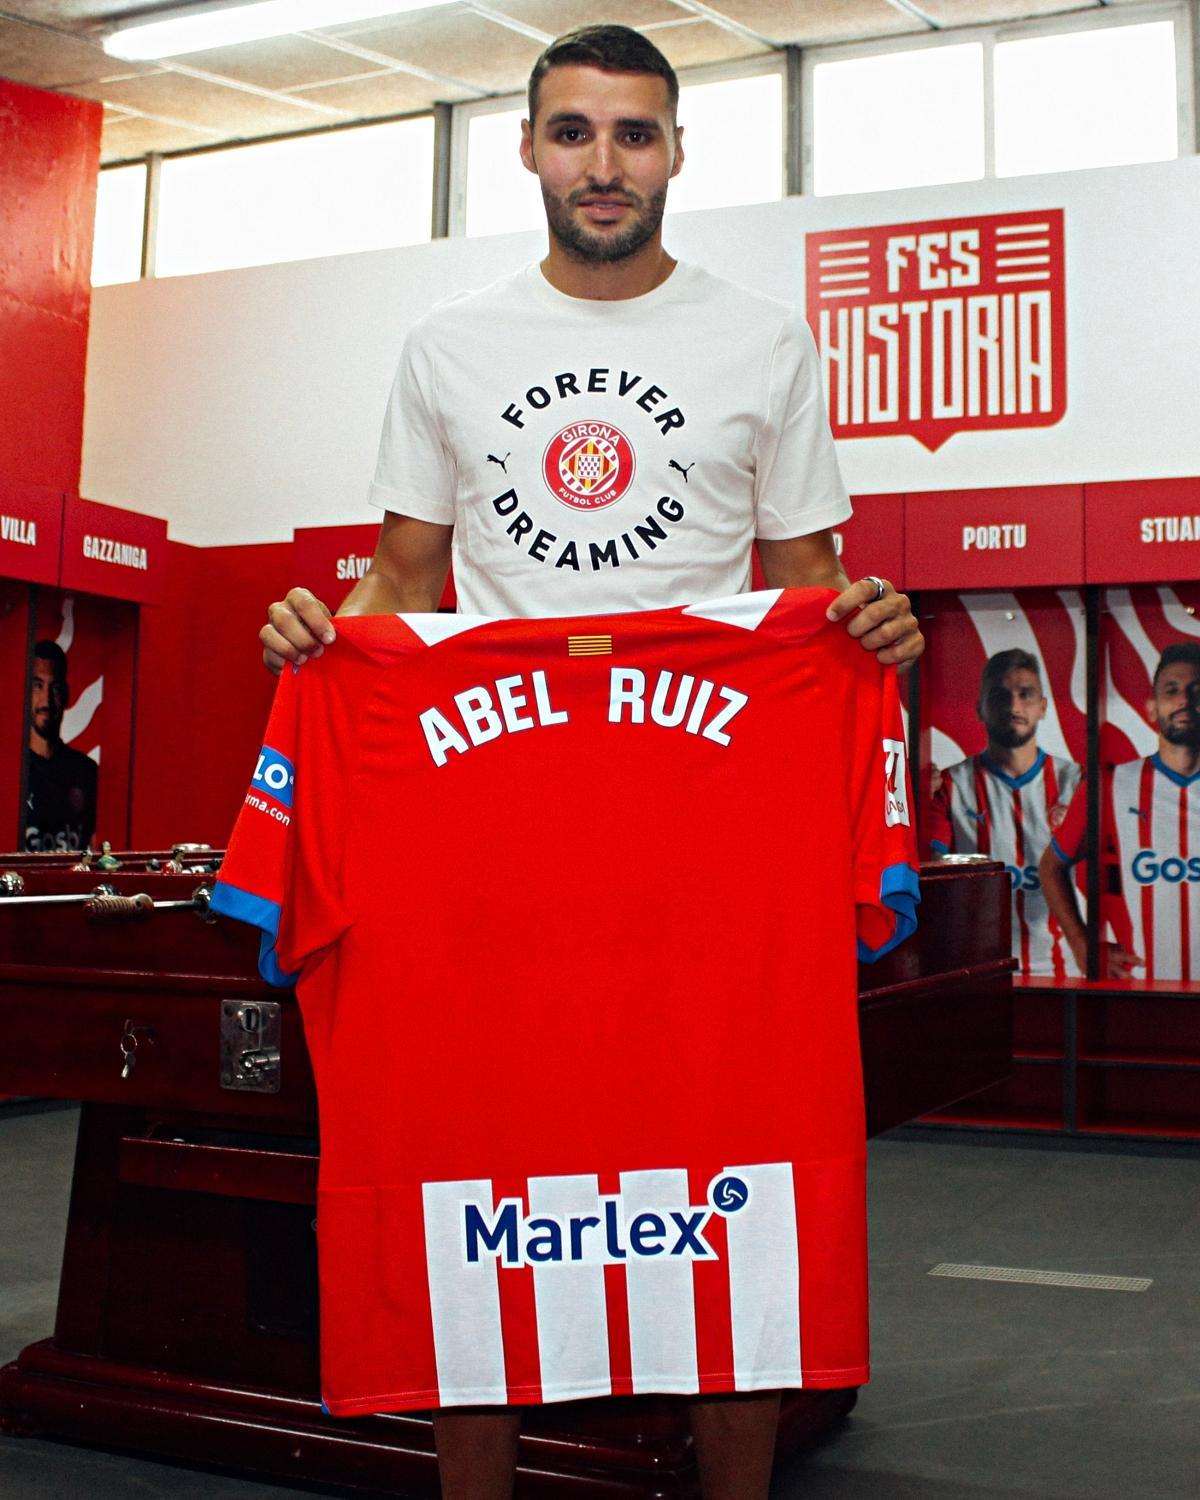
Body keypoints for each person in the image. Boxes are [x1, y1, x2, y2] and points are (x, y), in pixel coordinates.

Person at [259, 25, 923, 1499]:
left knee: (728, 1176)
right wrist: (324, 633)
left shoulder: (764, 341)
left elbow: (808, 580)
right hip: (491, 825)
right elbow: (405, 578)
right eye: (575, 133)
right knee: (475, 1170)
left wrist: (864, 623)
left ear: (679, 152)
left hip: (706, 824)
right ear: (529, 151)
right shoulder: (451, 344)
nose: (604, 164)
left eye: (635, 134)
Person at [1041, 642, 1200, 981]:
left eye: (1196, 690)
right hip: (1143, 993)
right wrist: (1081, 943)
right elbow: (1050, 867)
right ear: (1152, 709)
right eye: (1171, 690)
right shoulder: (1111, 785)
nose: (1185, 700)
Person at [928, 649, 1081, 977]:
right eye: (1000, 695)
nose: (1014, 707)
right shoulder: (950, 786)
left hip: (1061, 970)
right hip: (976, 972)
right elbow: (929, 877)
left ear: (1042, 707)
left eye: (1025, 694)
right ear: (979, 708)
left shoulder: (1076, 782)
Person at [24, 640, 97, 854]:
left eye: (54, 688)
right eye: (37, 686)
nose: (46, 700)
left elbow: (103, 851)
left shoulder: (87, 772)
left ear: (65, 695)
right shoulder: (10, 771)